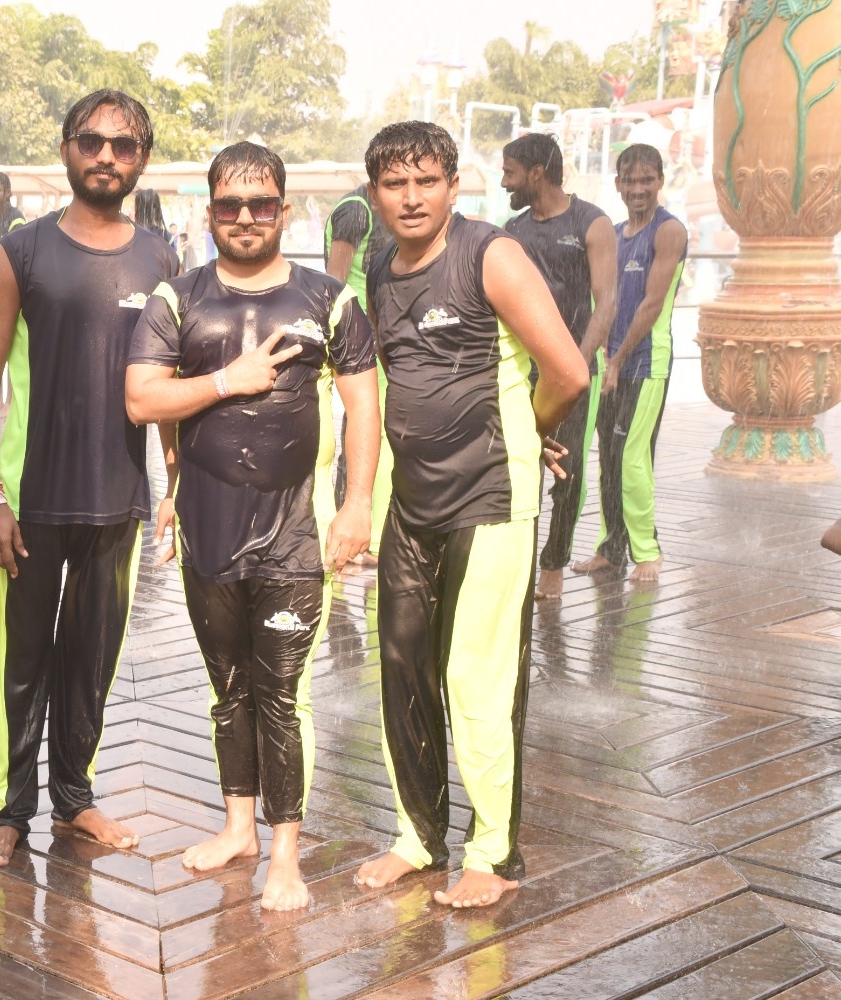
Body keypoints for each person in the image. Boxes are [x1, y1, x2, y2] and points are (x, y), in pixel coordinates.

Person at [125, 142, 380, 911]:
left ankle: (285, 854)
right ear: (209, 213)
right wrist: (225, 385)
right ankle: (239, 827)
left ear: (284, 211)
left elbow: (365, 405)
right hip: (208, 529)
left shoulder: (329, 300)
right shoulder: (177, 299)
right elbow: (143, 399)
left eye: (261, 204)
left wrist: (359, 504)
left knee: (280, 694)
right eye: (230, 205)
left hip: (295, 533)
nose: (245, 217)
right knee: (228, 687)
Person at [351, 122, 588, 908]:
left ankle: (493, 853)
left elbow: (568, 371)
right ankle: (419, 838)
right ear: (374, 193)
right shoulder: (378, 266)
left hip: (490, 494)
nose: (412, 197)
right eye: (395, 184)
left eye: (427, 181)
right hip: (410, 500)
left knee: (477, 674)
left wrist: (531, 431)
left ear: (454, 186)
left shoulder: (491, 255)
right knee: (402, 667)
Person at [0, 89, 179, 867]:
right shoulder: (20, 253)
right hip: (31, 496)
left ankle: (74, 797)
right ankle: (11, 809)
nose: (106, 157)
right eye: (91, 141)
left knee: (92, 656)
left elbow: (171, 379)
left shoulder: (160, 259)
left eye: (123, 146)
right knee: (22, 658)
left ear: (141, 160)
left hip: (117, 494)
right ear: (66, 150)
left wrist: (176, 484)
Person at [500, 133, 618, 601]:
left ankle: (554, 563)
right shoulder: (512, 231)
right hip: (522, 370)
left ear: (537, 173)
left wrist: (577, 365)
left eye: (510, 173)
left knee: (566, 472)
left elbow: (606, 301)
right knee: (518, 464)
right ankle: (518, 562)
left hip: (572, 368)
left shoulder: (592, 222)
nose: (504, 182)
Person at [573, 144, 685, 587]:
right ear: (618, 183)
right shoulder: (616, 234)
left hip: (645, 362)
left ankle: (648, 552)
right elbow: (604, 301)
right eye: (630, 180)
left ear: (660, 181)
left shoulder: (668, 231)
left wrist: (618, 359)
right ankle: (610, 548)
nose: (638, 189)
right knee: (610, 458)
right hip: (612, 362)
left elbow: (652, 303)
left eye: (647, 180)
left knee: (634, 459)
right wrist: (600, 353)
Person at [324, 183, 397, 564]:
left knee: (368, 433)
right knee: (374, 434)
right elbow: (335, 281)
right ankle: (366, 539)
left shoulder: (365, 208)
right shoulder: (355, 210)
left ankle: (360, 533)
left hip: (370, 338)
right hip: (361, 339)